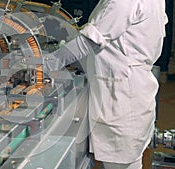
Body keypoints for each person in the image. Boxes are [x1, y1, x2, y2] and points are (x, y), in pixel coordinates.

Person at [44, 0, 167, 168]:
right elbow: (117, 43)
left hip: (122, 95)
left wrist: (43, 65)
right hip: (130, 88)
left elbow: (89, 42)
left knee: (120, 162)